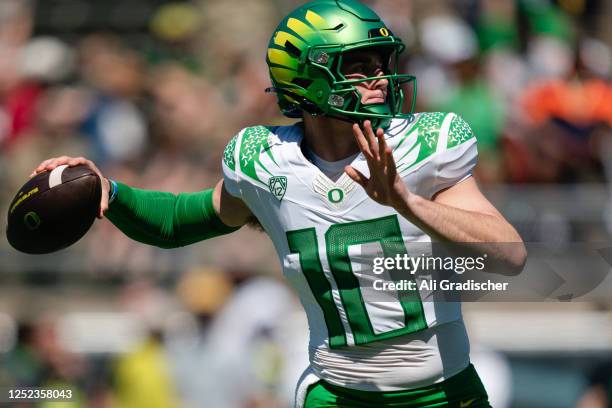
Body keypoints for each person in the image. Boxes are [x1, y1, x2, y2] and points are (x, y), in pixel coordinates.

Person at [31, 1, 526, 407]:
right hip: (337, 396)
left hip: (443, 393)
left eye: (379, 62)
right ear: (307, 78)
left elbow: (510, 255)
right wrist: (109, 192)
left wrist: (408, 202)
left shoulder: (426, 144)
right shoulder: (265, 163)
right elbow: (180, 222)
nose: (378, 77)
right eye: (357, 66)